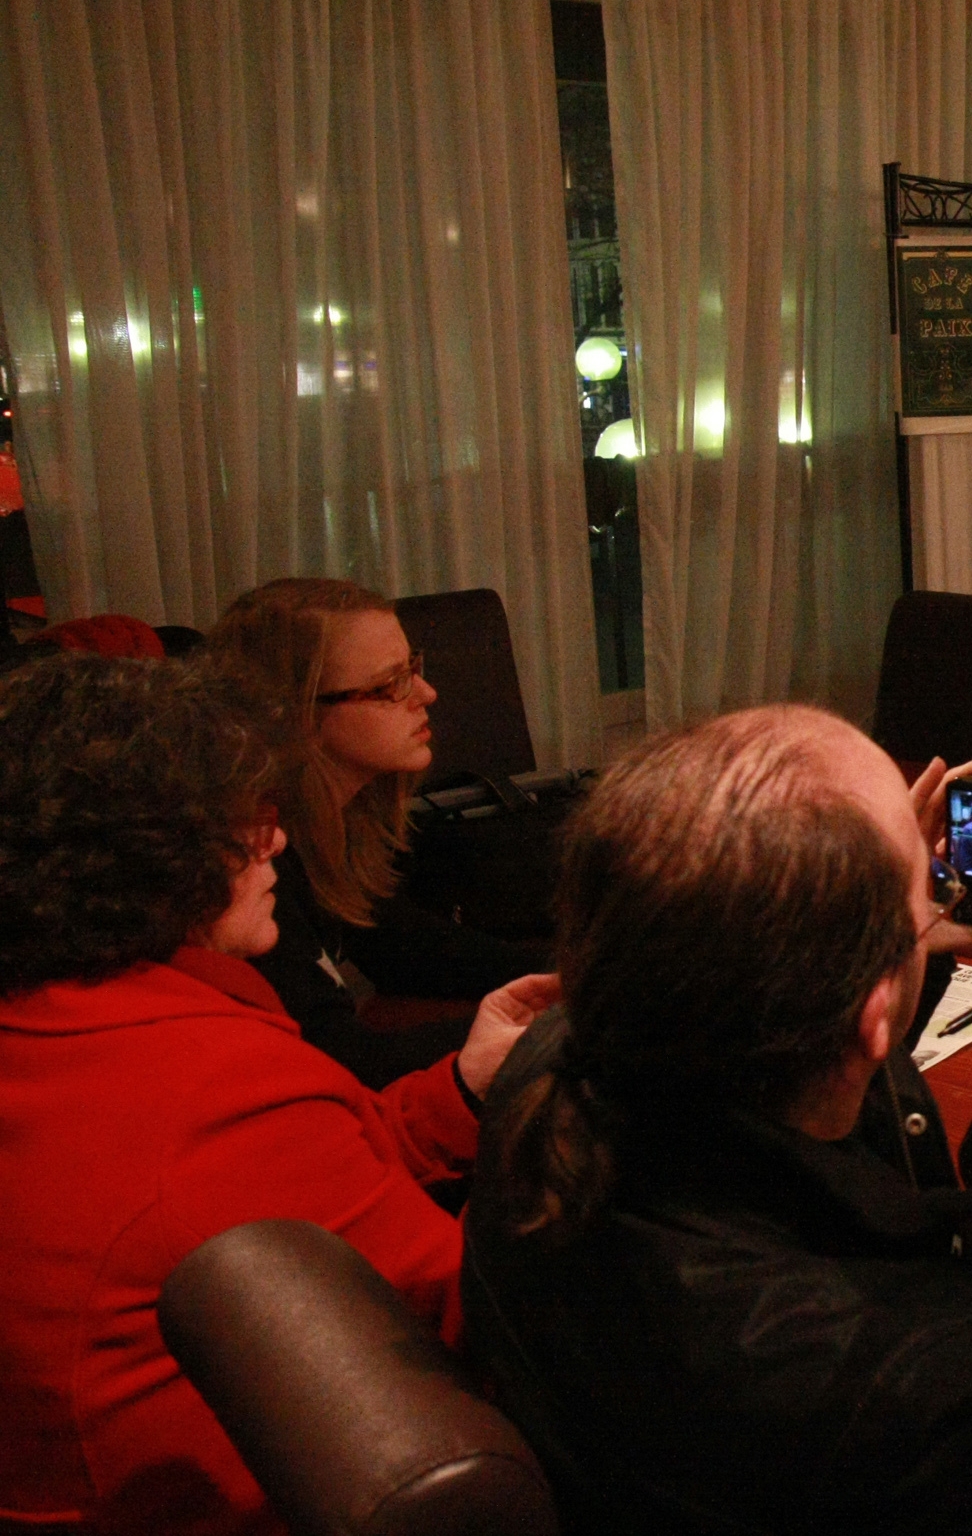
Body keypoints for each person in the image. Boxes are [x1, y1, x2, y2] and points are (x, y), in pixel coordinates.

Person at [461, 706, 972, 1535]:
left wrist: (851, 908)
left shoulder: (554, 1069)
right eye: (928, 894)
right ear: (871, 1017)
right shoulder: (883, 1379)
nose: (939, 892)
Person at [0, 653, 556, 1535]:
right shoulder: (215, 1086)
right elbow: (488, 1318)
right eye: (248, 820)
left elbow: (286, 1178)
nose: (278, 842)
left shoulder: (58, 1014)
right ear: (151, 855)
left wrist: (463, 1086)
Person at [206, 577, 541, 1085]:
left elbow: (401, 946)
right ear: (295, 715)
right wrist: (549, 1028)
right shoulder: (249, 862)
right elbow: (339, 1061)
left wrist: (567, 977)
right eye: (390, 684)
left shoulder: (337, 820)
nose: (427, 693)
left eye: (413, 668)